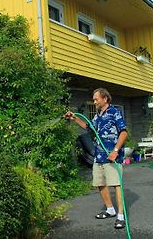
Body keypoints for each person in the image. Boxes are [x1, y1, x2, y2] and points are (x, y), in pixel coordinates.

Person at [64, 87, 127, 229]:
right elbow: (88, 127)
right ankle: (110, 209)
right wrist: (74, 118)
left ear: (105, 99)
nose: (94, 101)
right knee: (100, 183)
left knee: (116, 185)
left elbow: (123, 132)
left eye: (96, 99)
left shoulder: (114, 113)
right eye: (93, 99)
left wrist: (116, 150)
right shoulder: (98, 115)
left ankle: (120, 216)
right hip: (98, 156)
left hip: (112, 157)